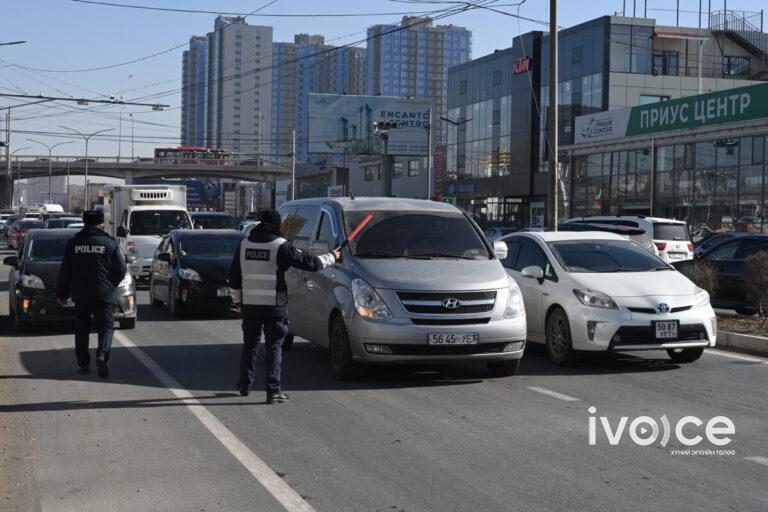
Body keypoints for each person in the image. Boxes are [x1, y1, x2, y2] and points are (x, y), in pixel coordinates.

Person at [229, 209, 340, 404]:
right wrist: (333, 256)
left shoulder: (244, 244)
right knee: (274, 348)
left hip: (250, 306)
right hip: (274, 307)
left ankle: (244, 385)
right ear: (277, 225)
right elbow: (310, 263)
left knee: (250, 346)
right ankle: (273, 392)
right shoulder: (280, 246)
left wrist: (237, 300)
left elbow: (235, 277)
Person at [56, 210, 127, 378]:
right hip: (104, 293)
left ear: (84, 223)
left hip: (80, 294)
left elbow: (65, 271)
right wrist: (111, 284)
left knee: (81, 329)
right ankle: (102, 355)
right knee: (106, 327)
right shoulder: (109, 243)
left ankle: (84, 365)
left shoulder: (73, 243)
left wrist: (62, 294)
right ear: (101, 224)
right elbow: (122, 268)